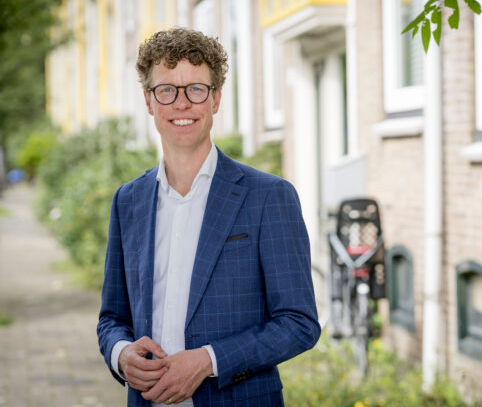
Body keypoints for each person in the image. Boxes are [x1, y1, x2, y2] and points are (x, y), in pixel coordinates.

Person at [97, 28, 320, 407]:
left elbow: (299, 323)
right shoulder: (128, 201)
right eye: (166, 90)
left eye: (195, 89)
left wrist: (208, 361)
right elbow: (111, 318)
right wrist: (120, 353)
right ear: (149, 102)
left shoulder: (268, 196)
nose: (181, 103)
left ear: (215, 99)